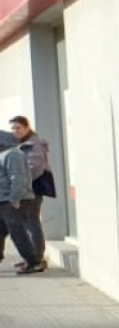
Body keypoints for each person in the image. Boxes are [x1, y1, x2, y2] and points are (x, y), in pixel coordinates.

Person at [5, 117, 51, 273]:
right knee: (25, 223)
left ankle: (38, 259)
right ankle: (31, 258)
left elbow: (35, 168)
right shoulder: (18, 144)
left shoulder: (35, 144)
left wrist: (19, 180)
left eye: (18, 128)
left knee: (32, 223)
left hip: (33, 189)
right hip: (24, 190)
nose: (15, 131)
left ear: (26, 127)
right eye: (12, 128)